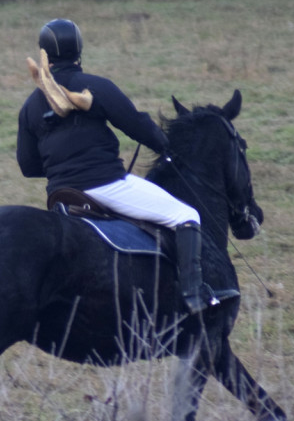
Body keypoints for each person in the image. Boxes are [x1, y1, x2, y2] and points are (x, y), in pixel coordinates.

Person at [17, 18, 213, 314]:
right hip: (105, 186)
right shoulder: (96, 87)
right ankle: (194, 293)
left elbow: (28, 165)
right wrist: (163, 145)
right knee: (186, 214)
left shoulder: (30, 106)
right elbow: (136, 124)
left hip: (60, 195)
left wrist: (64, 166)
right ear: (79, 50)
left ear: (45, 54)